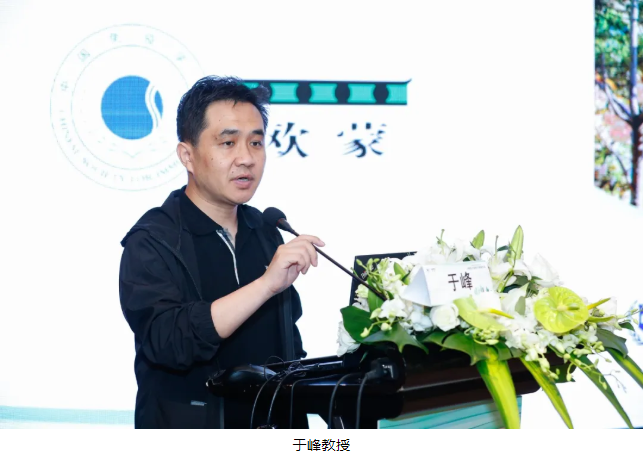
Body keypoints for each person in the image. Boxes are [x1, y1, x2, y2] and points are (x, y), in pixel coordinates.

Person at [118, 76, 324, 429]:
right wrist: (265, 285)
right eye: (228, 143)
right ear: (188, 156)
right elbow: (169, 342)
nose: (246, 159)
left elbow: (287, 346)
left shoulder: (265, 230)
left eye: (256, 143)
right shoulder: (153, 240)